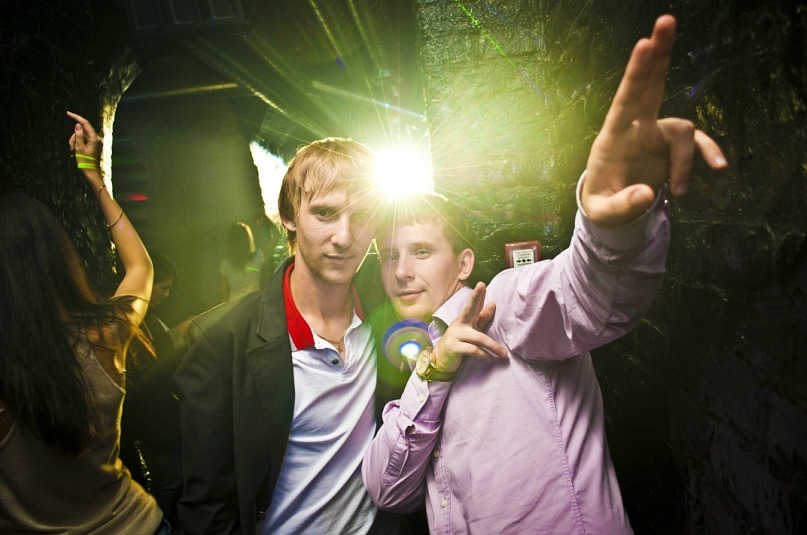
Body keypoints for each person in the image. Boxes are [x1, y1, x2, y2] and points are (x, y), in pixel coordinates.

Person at [362, 14, 728, 533]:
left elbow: (589, 296)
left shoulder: (504, 305)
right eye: (388, 256)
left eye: (421, 251)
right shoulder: (419, 358)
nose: (401, 271)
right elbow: (387, 490)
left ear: (464, 263)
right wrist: (433, 372)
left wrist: (612, 225)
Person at [174, 137, 411, 534]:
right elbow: (208, 510)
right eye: (325, 213)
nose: (344, 236)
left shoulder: (388, 306)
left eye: (361, 215)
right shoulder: (222, 341)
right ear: (289, 216)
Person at [0, 112, 168, 533]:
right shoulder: (104, 334)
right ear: (56, 257)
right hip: (138, 524)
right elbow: (140, 267)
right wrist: (93, 176)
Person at [121, 252, 193, 532]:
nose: (166, 294)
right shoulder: (139, 322)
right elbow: (159, 356)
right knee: (170, 480)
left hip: (152, 422)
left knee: (168, 478)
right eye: (163, 287)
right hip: (157, 423)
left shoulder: (147, 318)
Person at [219, 221, 265, 303]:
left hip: (234, 308)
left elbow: (224, 295)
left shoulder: (225, 264)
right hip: (255, 305)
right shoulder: (258, 256)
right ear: (248, 239)